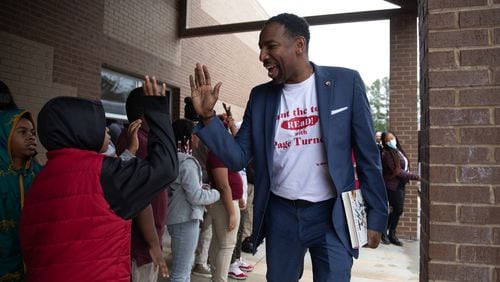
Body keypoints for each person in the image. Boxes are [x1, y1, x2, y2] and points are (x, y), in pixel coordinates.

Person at [189, 13, 388, 281]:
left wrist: (376, 217)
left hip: (334, 215)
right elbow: (237, 158)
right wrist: (208, 118)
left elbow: (368, 156)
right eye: (260, 48)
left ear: (299, 45)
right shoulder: (260, 97)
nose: (262, 56)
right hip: (282, 214)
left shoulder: (345, 83)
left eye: (270, 46)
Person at [20, 76, 179, 281]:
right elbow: (166, 169)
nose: (106, 129)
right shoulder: (101, 174)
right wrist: (157, 112)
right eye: (99, 123)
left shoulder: (40, 179)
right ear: (81, 129)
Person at [115, 87, 170, 282]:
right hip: (141, 244)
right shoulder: (139, 142)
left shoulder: (137, 138)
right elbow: (141, 197)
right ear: (145, 114)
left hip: (142, 242)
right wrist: (153, 244)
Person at [167, 118, 220, 282]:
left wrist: (201, 188)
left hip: (178, 217)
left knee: (182, 268)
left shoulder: (173, 158)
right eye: (195, 135)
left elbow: (187, 189)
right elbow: (195, 196)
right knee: (181, 272)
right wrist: (216, 193)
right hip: (185, 219)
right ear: (187, 137)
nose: (197, 138)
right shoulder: (187, 162)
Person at [0, 109, 42, 281]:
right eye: (22, 132)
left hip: (35, 268)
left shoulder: (41, 175)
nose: (31, 137)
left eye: (33, 133)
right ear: (5, 136)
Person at [206, 115, 243, 282]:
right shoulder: (217, 152)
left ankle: (216, 278)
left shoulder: (223, 150)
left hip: (228, 201)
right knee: (227, 246)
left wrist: (239, 197)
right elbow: (223, 185)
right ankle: (219, 279)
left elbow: (239, 143)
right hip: (224, 203)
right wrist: (232, 213)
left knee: (219, 243)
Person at [380, 131, 420, 246]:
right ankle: (386, 232)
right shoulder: (387, 154)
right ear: (384, 143)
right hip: (392, 185)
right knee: (398, 209)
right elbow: (397, 172)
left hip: (400, 184)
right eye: (387, 140)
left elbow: (404, 167)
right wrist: (416, 177)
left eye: (391, 138)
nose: (390, 141)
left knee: (398, 210)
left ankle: (390, 234)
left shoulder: (398, 151)